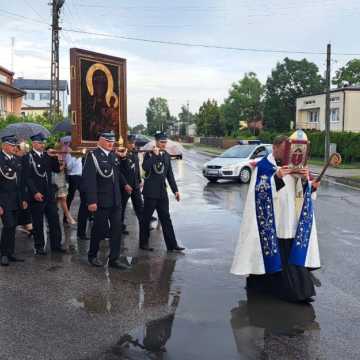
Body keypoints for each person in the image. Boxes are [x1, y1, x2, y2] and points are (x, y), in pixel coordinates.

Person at [231, 134, 321, 303]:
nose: (286, 155)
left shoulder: (297, 167)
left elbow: (302, 193)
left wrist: (310, 185)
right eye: (283, 151)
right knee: (270, 257)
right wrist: (277, 178)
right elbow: (260, 192)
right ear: (275, 148)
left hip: (290, 221)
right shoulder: (264, 167)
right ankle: (269, 288)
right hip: (273, 223)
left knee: (289, 257)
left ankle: (298, 291)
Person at [82, 131, 133, 269]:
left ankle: (114, 259)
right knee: (99, 229)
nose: (111, 143)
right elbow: (89, 180)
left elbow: (118, 173)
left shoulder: (113, 156)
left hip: (116, 200)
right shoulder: (93, 156)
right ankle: (92, 255)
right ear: (101, 141)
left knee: (116, 230)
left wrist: (125, 183)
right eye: (108, 141)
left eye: (112, 141)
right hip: (101, 200)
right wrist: (91, 201)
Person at [139, 131, 184, 252]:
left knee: (166, 218)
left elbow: (170, 175)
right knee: (146, 219)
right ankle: (143, 243)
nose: (164, 144)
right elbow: (145, 168)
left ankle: (172, 245)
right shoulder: (148, 154)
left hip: (162, 193)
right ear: (156, 142)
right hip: (150, 193)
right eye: (161, 142)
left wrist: (176, 191)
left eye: (165, 142)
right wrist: (154, 155)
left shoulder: (166, 155)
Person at [22, 133, 65, 255]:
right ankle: (39, 246)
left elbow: (56, 169)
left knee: (54, 219)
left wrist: (55, 156)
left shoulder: (47, 156)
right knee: (38, 222)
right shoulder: (28, 157)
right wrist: (35, 192)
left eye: (43, 143)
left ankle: (56, 245)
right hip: (36, 194)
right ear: (34, 144)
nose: (42, 145)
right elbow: (27, 178)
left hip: (49, 193)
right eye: (40, 143)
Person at [0, 135, 27, 266]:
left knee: (13, 227)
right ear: (3, 146)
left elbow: (20, 182)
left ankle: (10, 253)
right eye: (11, 145)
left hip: (16, 199)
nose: (13, 148)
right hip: (4, 200)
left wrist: (23, 199)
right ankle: (3, 254)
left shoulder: (16, 159)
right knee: (8, 225)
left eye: (14, 146)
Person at [63, 137, 89, 239]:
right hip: (73, 176)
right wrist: (75, 158)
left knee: (85, 198)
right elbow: (68, 167)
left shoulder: (80, 152)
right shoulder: (70, 154)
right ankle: (66, 217)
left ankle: (89, 216)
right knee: (70, 197)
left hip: (81, 176)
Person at [118, 134, 143, 236]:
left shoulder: (134, 152)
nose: (133, 145)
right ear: (126, 142)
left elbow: (136, 168)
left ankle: (144, 225)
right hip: (126, 186)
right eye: (131, 143)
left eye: (134, 143)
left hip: (135, 184)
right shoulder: (121, 153)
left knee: (140, 207)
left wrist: (140, 180)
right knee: (122, 208)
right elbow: (119, 171)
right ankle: (119, 227)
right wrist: (125, 184)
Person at [53, 137, 76, 225]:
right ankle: (68, 216)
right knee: (62, 199)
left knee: (60, 199)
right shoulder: (55, 156)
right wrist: (64, 165)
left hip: (62, 178)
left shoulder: (63, 154)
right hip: (57, 178)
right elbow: (58, 169)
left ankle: (52, 220)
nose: (64, 147)